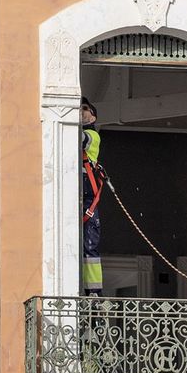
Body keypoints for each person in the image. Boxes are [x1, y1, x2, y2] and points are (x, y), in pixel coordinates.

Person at [79, 98, 106, 297]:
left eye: (85, 109)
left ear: (93, 116)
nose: (81, 111)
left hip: (88, 195)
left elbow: (79, 139)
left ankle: (94, 293)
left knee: (90, 246)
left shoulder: (92, 135)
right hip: (81, 190)